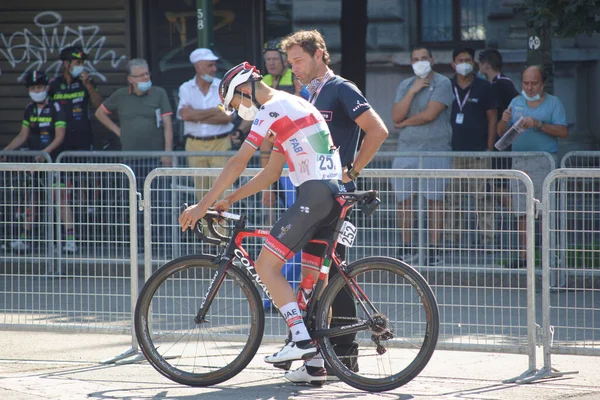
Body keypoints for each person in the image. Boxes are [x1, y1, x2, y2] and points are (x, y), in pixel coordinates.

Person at [179, 61, 352, 371]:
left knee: (265, 264)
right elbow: (271, 173)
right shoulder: (293, 105)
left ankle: (300, 340)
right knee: (311, 285)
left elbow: (238, 162)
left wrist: (201, 206)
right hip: (330, 195)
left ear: (245, 90)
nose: (240, 112)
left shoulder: (271, 108)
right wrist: (230, 198)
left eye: (237, 104)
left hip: (314, 195)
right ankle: (314, 366)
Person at [281, 29, 389, 384]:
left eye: (298, 60)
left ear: (319, 54)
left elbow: (377, 131)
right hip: (312, 194)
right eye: (290, 62)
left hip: (337, 196)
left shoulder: (341, 88)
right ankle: (316, 357)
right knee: (317, 275)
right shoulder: (304, 94)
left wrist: (352, 171)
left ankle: (344, 356)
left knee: (334, 276)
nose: (293, 68)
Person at [95, 58, 174, 255]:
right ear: (130, 79)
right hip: (131, 160)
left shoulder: (159, 93)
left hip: (156, 159)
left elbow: (168, 125)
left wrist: (167, 152)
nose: (146, 78)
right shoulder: (121, 96)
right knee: (136, 204)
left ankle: (161, 246)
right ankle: (139, 246)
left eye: (147, 74)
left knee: (161, 203)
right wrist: (118, 131)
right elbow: (100, 113)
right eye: (141, 75)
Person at [497, 65, 568, 268]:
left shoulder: (554, 103)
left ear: (543, 83)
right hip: (519, 162)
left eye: (534, 83)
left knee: (545, 210)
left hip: (544, 162)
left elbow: (563, 132)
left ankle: (548, 256)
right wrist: (503, 121)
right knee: (521, 210)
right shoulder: (516, 102)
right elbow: (501, 132)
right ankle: (525, 256)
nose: (529, 87)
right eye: (526, 83)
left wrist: (539, 124)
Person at [390, 46, 454, 265]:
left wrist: (404, 123)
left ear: (432, 59)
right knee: (403, 200)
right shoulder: (406, 85)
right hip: (406, 149)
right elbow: (395, 115)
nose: (420, 62)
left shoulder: (443, 83)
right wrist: (412, 91)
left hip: (435, 149)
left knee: (435, 200)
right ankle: (407, 247)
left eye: (424, 58)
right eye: (415, 59)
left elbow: (429, 115)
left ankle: (434, 249)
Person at [4, 71, 76, 254]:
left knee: (60, 199)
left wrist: (45, 153)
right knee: (31, 200)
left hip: (55, 162)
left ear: (46, 88)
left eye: (40, 87)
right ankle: (25, 239)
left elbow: (60, 136)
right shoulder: (30, 109)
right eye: (33, 88)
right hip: (36, 164)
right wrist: (7, 150)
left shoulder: (56, 108)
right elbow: (23, 135)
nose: (37, 91)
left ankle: (70, 240)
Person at [260, 38, 304, 310]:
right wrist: (267, 184)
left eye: (276, 59)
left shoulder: (295, 80)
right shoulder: (264, 83)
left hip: (296, 165)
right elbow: (265, 134)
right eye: (268, 60)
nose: (272, 63)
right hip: (279, 164)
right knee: (281, 229)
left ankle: (288, 288)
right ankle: (280, 290)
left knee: (294, 231)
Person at [446, 47, 498, 248]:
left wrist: (489, 148)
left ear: (474, 63)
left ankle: (488, 238)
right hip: (453, 153)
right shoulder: (447, 86)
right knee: (453, 199)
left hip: (479, 152)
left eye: (468, 59)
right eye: (460, 60)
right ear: (453, 64)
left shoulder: (484, 87)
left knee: (483, 198)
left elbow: (493, 118)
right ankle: (452, 237)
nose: (464, 63)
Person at [177, 48, 236, 201]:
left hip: (220, 143)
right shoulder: (185, 88)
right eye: (210, 65)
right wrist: (216, 110)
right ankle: (204, 226)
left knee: (224, 192)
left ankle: (224, 226)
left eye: (214, 65)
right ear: (198, 67)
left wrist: (196, 115)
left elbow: (228, 117)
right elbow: (185, 115)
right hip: (194, 144)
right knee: (201, 194)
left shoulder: (223, 87)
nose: (214, 69)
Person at [478, 49, 519, 208]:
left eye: (480, 64)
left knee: (499, 185)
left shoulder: (503, 83)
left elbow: (516, 108)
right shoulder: (494, 83)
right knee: (496, 185)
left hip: (503, 142)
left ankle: (520, 213)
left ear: (486, 65)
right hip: (497, 142)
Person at [48, 46, 103, 151]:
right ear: (66, 64)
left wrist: (87, 85)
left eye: (82, 63)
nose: (81, 66)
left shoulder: (87, 82)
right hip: (59, 139)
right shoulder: (54, 84)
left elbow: (99, 105)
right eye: (77, 63)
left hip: (82, 138)